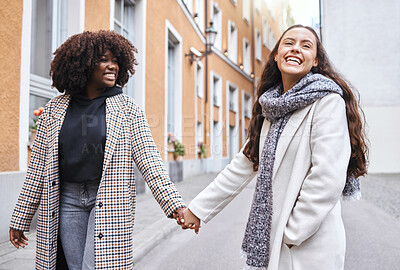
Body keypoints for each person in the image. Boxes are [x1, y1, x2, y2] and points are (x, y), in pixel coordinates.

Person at [180, 25, 368, 270]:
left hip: (309, 244)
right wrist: (197, 210)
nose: (296, 49)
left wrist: (291, 233)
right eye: (288, 43)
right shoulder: (271, 108)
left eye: (306, 45)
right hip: (277, 239)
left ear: (316, 61)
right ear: (277, 55)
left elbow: (327, 177)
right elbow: (242, 165)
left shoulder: (327, 102)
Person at [9, 30, 186, 270]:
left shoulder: (128, 109)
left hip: (108, 200)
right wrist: (21, 218)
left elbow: (150, 161)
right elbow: (38, 168)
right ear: (83, 65)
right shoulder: (54, 110)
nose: (112, 65)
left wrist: (175, 205)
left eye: (116, 60)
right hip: (67, 200)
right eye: (104, 59)